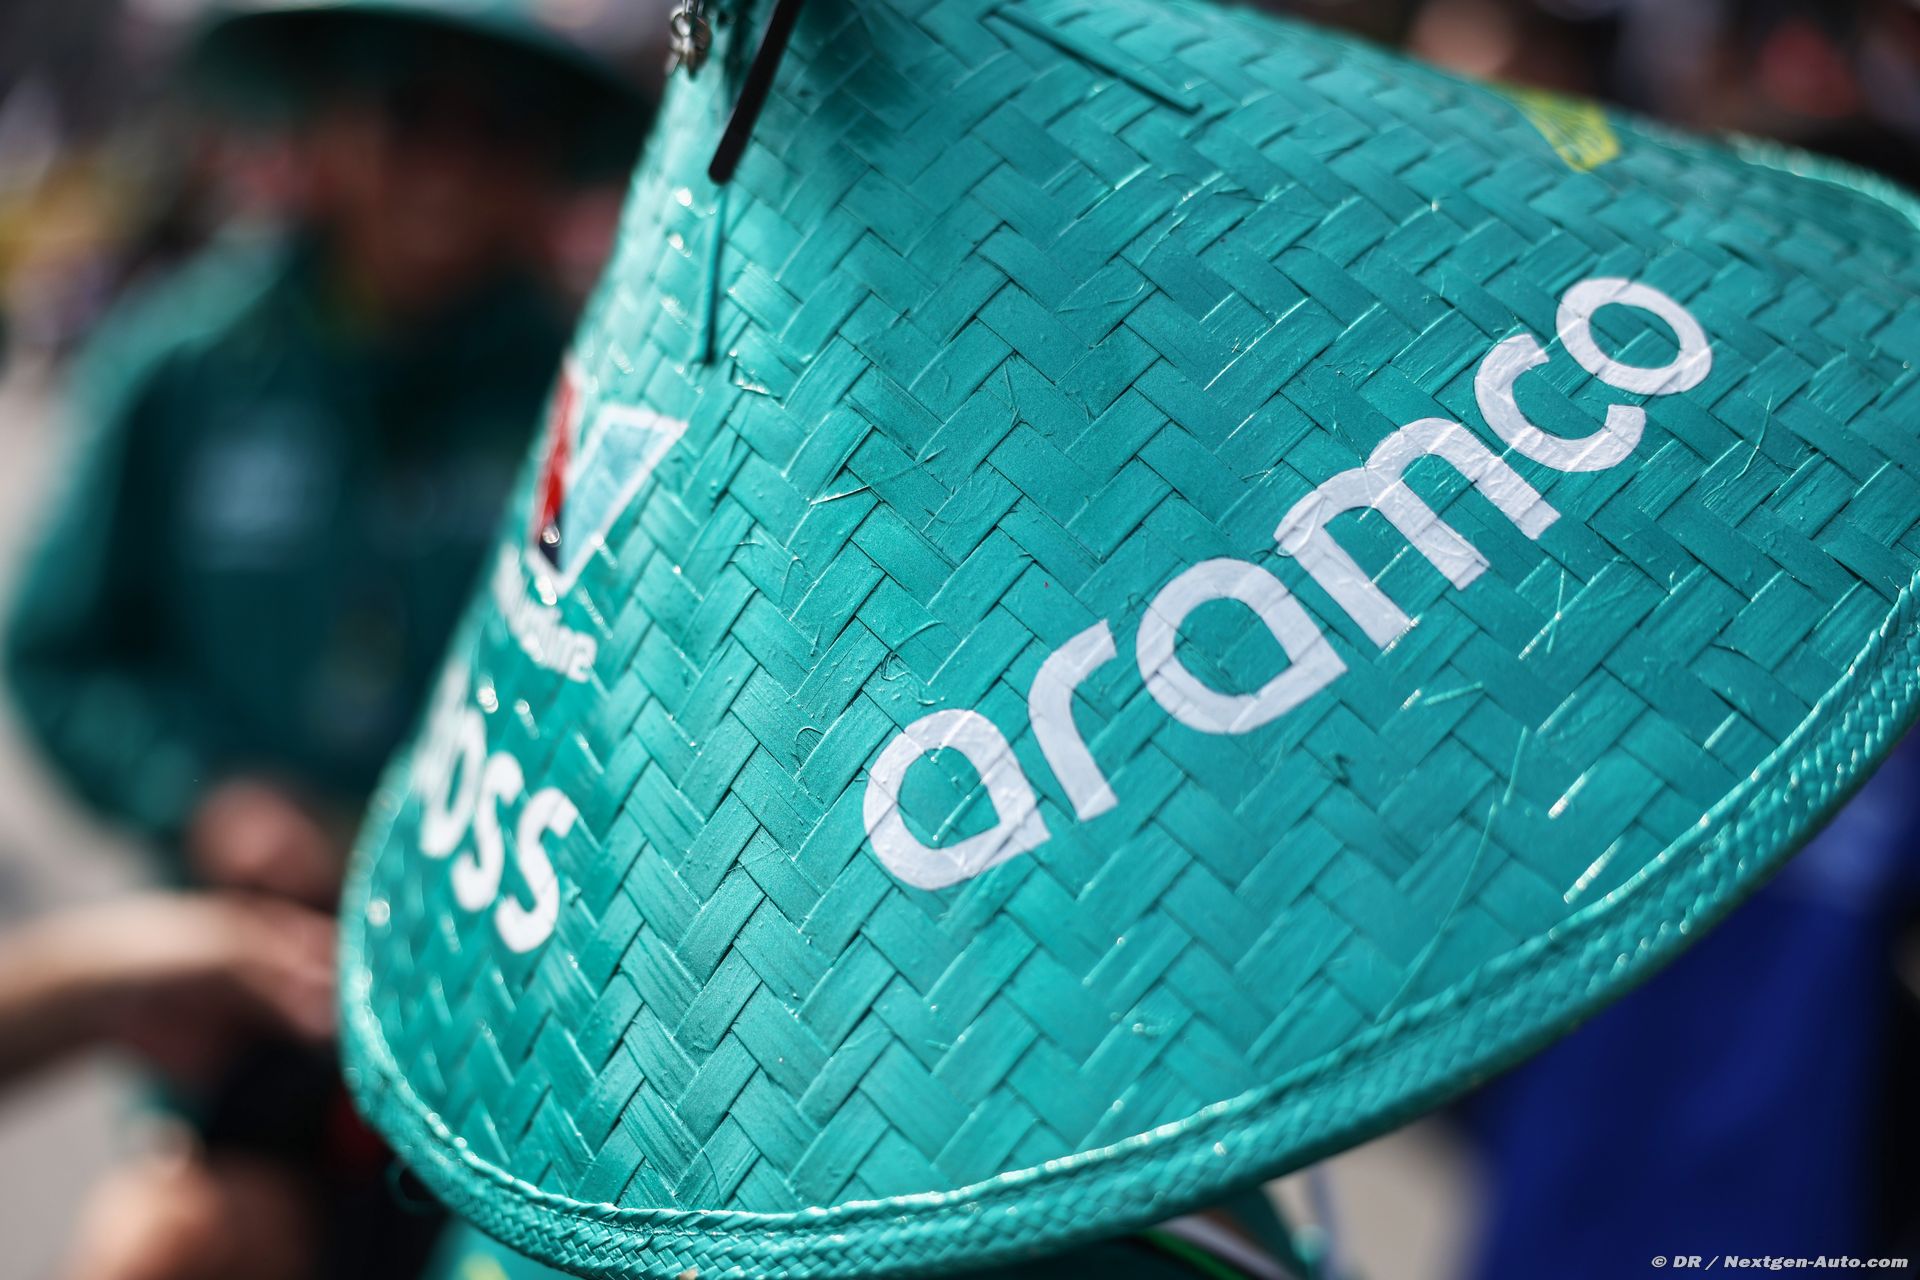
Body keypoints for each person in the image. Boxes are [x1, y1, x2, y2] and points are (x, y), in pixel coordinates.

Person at [2, 3, 650, 1277]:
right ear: (332, 126)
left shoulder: (596, 393)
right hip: (262, 990)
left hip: (525, 1027)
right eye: (413, 119)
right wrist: (202, 796)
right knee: (165, 1245)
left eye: (498, 134)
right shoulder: (185, 364)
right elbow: (58, 649)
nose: (447, 170)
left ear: (544, 164)